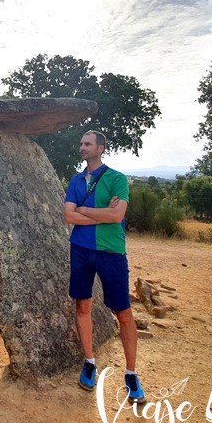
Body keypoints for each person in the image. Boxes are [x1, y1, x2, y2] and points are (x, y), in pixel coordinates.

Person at [63, 130, 144, 402]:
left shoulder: (117, 179)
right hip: (81, 250)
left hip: (111, 251)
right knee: (82, 305)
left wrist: (83, 212)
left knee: (123, 313)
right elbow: (67, 216)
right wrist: (102, 215)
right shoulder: (76, 181)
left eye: (87, 144)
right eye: (81, 143)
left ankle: (131, 374)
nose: (82, 147)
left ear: (100, 148)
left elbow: (117, 214)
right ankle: (89, 361)